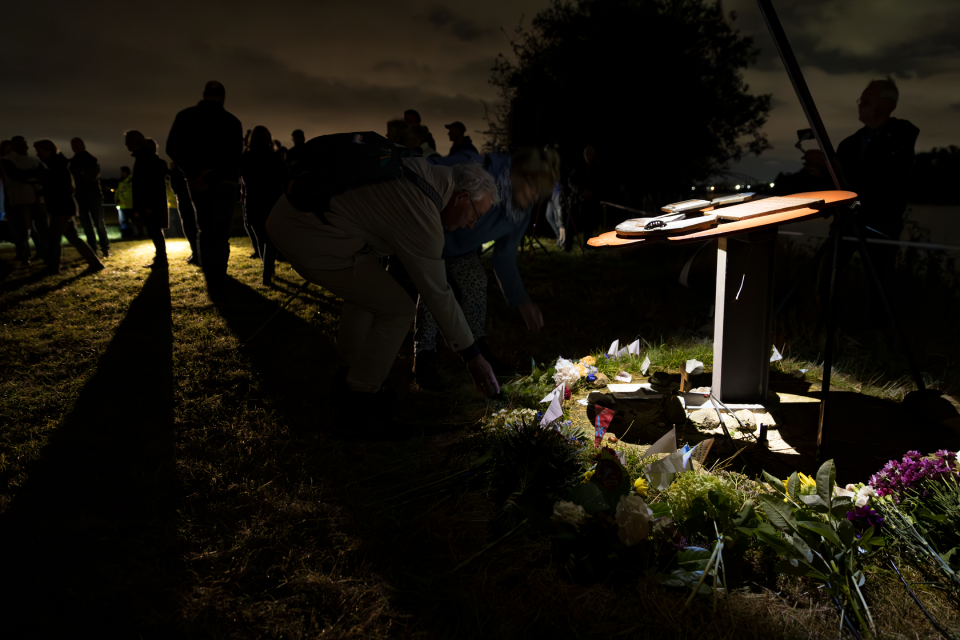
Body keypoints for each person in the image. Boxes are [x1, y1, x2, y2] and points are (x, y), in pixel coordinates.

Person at [266, 155, 500, 434]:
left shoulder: (419, 171)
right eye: (475, 215)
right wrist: (472, 355)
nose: (471, 225)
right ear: (461, 197)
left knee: (367, 297)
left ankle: (346, 380)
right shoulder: (422, 208)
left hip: (296, 219)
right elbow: (437, 291)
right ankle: (360, 405)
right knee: (398, 309)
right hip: (310, 235)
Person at [412, 147, 558, 390]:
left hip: (462, 251)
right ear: (518, 174)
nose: (533, 197)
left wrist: (521, 300)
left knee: (476, 282)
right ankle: (425, 354)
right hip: (431, 237)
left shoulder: (518, 213)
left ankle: (477, 347)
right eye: (532, 187)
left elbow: (504, 259)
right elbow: (429, 170)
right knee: (433, 290)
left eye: (539, 194)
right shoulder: (478, 171)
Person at [166, 81, 243, 299]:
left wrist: (193, 175)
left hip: (197, 183)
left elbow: (172, 147)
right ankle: (219, 280)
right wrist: (212, 176)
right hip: (225, 183)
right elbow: (233, 156)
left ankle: (211, 281)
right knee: (220, 234)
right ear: (223, 97)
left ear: (204, 95)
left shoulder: (186, 116)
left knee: (205, 230)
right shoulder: (232, 122)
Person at [32, 140, 103, 274]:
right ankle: (95, 263)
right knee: (72, 237)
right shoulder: (58, 163)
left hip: (61, 207)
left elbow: (60, 187)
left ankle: (52, 268)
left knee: (53, 239)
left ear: (48, 151)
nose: (38, 155)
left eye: (39, 151)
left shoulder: (57, 165)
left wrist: (42, 190)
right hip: (63, 206)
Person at [240, 126, 288, 286]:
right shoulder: (275, 157)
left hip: (254, 201)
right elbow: (283, 179)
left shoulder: (246, 157)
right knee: (270, 239)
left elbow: (243, 179)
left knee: (261, 239)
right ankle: (268, 270)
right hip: (272, 201)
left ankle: (267, 268)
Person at [1, 136, 48, 266]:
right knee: (30, 231)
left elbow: (19, 175)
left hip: (23, 200)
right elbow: (19, 175)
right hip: (30, 199)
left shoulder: (8, 160)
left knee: (24, 232)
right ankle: (34, 256)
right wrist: (34, 178)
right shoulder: (32, 161)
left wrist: (28, 177)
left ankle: (28, 256)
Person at [125, 132, 169, 268]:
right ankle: (160, 258)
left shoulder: (144, 158)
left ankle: (161, 259)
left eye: (128, 142)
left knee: (154, 230)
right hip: (148, 203)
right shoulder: (144, 157)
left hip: (149, 204)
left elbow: (149, 183)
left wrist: (148, 205)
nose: (126, 145)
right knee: (154, 230)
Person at [69, 138, 110, 258]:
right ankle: (100, 248)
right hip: (89, 195)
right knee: (94, 223)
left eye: (76, 145)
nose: (74, 147)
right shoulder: (87, 159)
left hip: (88, 195)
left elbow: (91, 176)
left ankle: (98, 248)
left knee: (93, 223)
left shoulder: (83, 160)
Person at [566, 143, 605, 243]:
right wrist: (580, 191)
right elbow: (570, 180)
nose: (589, 155)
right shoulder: (579, 166)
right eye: (587, 153)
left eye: (591, 153)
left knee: (589, 223)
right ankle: (567, 244)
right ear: (584, 155)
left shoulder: (597, 168)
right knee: (571, 222)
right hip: (577, 198)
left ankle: (587, 243)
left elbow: (601, 184)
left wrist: (591, 193)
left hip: (590, 200)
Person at [115, 166, 139, 239]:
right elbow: (117, 192)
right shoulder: (121, 181)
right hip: (122, 206)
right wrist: (116, 200)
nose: (122, 173)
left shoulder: (132, 180)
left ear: (127, 172)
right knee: (123, 222)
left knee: (135, 222)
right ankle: (125, 236)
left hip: (131, 205)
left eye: (123, 172)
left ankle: (137, 235)